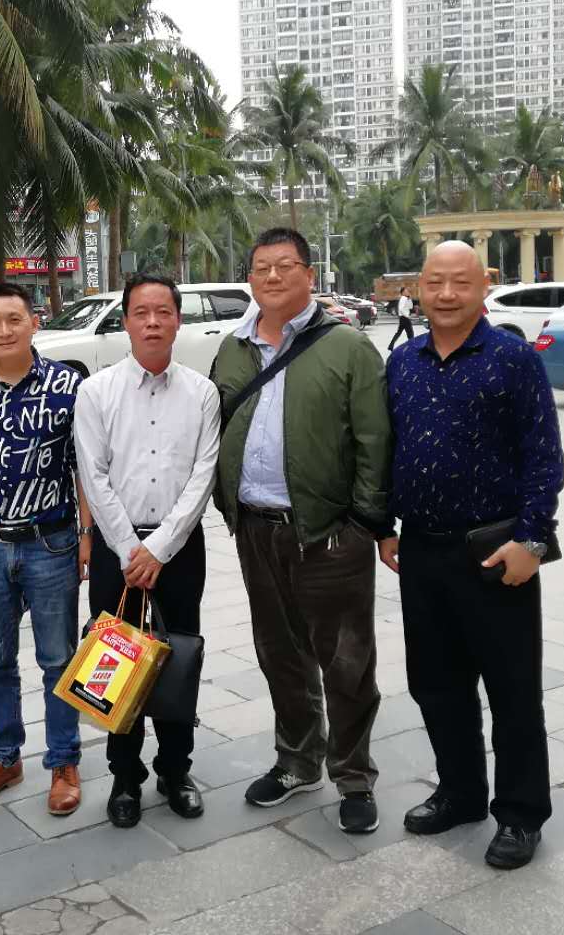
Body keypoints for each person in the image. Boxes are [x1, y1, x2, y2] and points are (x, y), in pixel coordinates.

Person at [379, 241, 564, 871]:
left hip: (495, 552)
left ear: (484, 285)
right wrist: (384, 527)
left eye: (460, 282)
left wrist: (533, 541)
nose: (447, 294)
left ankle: (520, 814)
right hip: (421, 550)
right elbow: (390, 449)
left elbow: (544, 458)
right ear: (418, 287)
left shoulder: (514, 359)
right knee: (436, 685)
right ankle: (460, 792)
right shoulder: (402, 362)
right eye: (435, 282)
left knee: (513, 691)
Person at [211, 227, 391, 833]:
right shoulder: (233, 349)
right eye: (261, 266)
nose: (272, 276)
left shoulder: (348, 347)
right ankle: (297, 760)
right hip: (256, 528)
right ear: (249, 277)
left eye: (285, 265)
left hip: (330, 532)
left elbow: (374, 440)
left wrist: (364, 522)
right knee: (279, 653)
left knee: (346, 661)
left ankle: (354, 776)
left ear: (309, 275)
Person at [74, 274, 220, 829]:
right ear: (125, 321)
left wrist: (159, 548)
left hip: (179, 548)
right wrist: (130, 549)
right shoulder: (97, 392)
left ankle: (176, 770)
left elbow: (203, 475)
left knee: (179, 657)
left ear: (178, 320)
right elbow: (94, 476)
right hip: (118, 550)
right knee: (117, 663)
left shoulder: (202, 393)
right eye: (142, 312)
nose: (153, 322)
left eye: (163, 312)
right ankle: (125, 777)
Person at [0, 283, 89, 818]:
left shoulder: (67, 386)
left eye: (14, 319)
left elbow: (82, 467)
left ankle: (63, 762)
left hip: (51, 543)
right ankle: (3, 758)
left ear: (34, 322)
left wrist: (86, 536)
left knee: (58, 661)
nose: (4, 331)